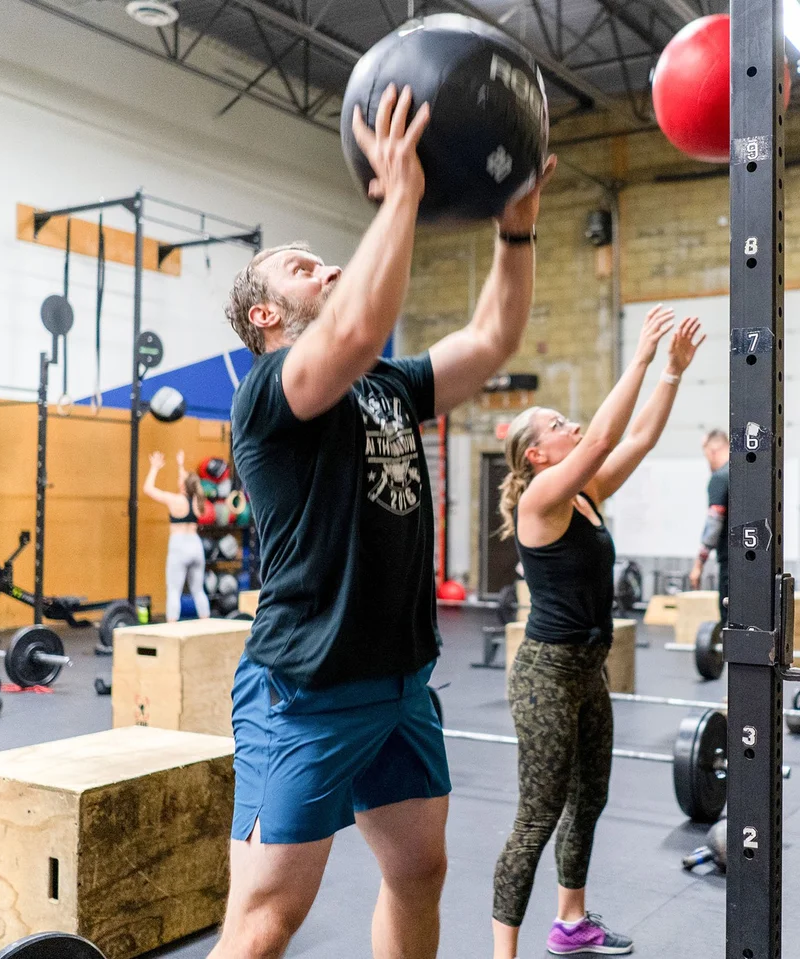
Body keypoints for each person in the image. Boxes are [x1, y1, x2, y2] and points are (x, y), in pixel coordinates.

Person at [213, 83, 555, 959]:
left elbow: (492, 337)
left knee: (418, 870)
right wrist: (401, 194)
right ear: (264, 314)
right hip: (307, 686)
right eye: (303, 268)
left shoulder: (387, 382)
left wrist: (515, 231)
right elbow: (358, 327)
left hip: (400, 682)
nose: (327, 269)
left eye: (327, 261)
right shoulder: (271, 392)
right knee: (264, 921)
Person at [492, 305, 704, 959]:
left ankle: (571, 921)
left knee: (589, 799)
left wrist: (671, 373)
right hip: (547, 676)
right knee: (537, 817)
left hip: (589, 671)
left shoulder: (584, 495)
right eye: (559, 425)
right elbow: (604, 438)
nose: (574, 427)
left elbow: (635, 440)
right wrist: (639, 357)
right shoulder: (540, 499)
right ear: (536, 453)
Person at [142, 449, 209, 622]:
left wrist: (154, 467)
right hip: (196, 545)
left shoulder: (175, 500)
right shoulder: (197, 501)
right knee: (198, 591)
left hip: (179, 546)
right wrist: (180, 464)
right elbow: (189, 480)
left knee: (173, 591)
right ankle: (206, 623)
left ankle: (171, 626)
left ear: (183, 485)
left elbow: (148, 489)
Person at [688, 429, 730, 618]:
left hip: (730, 564)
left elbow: (714, 523)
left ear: (712, 450)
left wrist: (698, 565)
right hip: (754, 563)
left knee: (729, 620)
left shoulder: (720, 478)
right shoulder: (744, 475)